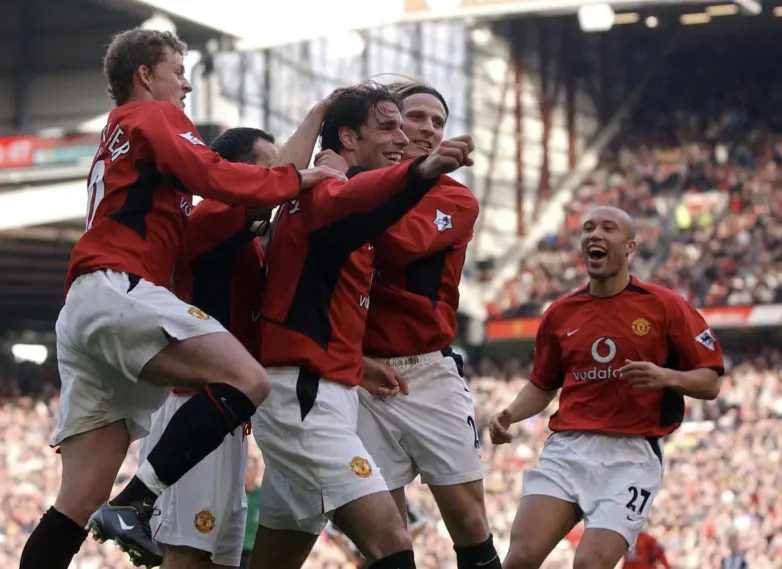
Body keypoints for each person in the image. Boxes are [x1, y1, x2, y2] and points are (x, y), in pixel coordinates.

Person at [19, 28, 342, 569]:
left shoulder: (117, 136)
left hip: (87, 304)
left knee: (76, 502)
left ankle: (128, 504)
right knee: (247, 379)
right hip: (119, 287)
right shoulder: (153, 115)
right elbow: (212, 174)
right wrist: (300, 178)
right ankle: (135, 502)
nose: (187, 86)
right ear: (145, 75)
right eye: (179, 72)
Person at [248, 84, 475, 569]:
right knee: (391, 540)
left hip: (331, 384)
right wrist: (422, 171)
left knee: (276, 558)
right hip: (306, 395)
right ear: (350, 138)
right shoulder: (331, 190)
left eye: (434, 123)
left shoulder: (320, 188)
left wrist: (357, 361)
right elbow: (367, 216)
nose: (407, 137)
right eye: (393, 126)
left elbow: (277, 192)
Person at [316, 80, 496, 569]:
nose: (427, 128)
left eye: (438, 122)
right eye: (415, 117)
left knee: (469, 521)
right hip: (357, 377)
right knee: (385, 534)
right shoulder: (345, 186)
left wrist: (348, 178)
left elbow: (397, 243)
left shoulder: (455, 199)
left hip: (427, 373)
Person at [489, 205, 725, 569]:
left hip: (631, 457)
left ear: (630, 246)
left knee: (589, 564)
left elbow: (710, 381)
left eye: (608, 228)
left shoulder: (665, 306)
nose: (595, 234)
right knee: (520, 558)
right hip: (568, 450)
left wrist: (666, 377)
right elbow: (543, 383)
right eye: (588, 228)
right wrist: (510, 413)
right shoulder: (560, 313)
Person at [139, 127, 278, 569]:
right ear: (236, 172)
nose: (278, 176)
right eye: (268, 166)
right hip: (194, 406)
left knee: (221, 558)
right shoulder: (211, 216)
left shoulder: (245, 240)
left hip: (227, 414)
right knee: (186, 556)